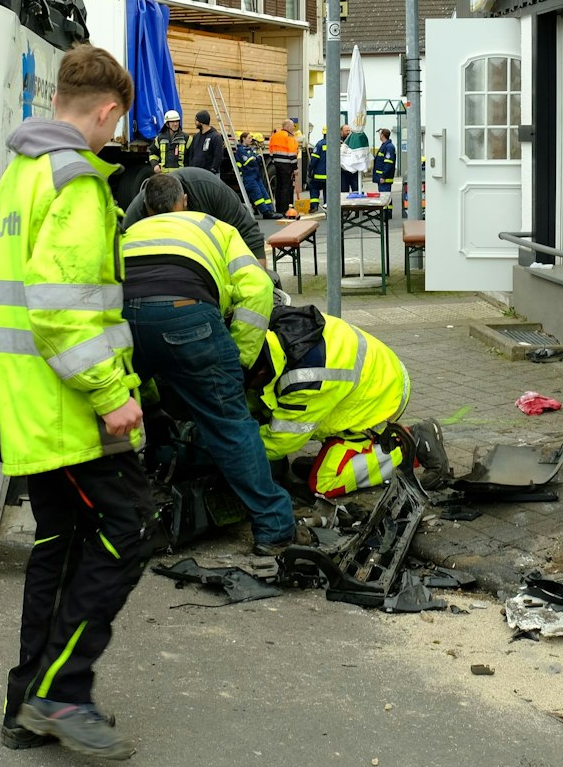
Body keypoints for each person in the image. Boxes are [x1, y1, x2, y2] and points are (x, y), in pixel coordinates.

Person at [0, 44, 150, 760]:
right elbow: (62, 311)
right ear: (107, 110)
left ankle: (27, 699)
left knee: (59, 543)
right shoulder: (78, 182)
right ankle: (61, 689)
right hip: (74, 406)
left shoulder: (18, 176)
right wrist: (113, 395)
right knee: (128, 529)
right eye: (116, 125)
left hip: (29, 403)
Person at [121, 173, 299, 555]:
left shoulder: (129, 233)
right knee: (230, 424)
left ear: (148, 208)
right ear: (183, 201)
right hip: (188, 315)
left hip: (124, 317)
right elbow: (258, 288)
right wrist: (239, 361)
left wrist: (149, 402)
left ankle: (126, 507)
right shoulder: (214, 226)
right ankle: (274, 528)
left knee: (125, 405)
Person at [249, 305, 420, 500]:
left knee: (323, 484)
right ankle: (348, 456)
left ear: (261, 372)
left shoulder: (306, 379)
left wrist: (234, 450)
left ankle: (412, 448)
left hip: (380, 402)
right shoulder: (271, 335)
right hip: (377, 379)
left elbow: (282, 439)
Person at [121, 164, 266, 260]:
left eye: (175, 219)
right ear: (145, 206)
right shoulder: (135, 214)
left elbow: (250, 236)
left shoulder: (210, 189)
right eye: (159, 221)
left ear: (185, 200)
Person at [234, 132, 276, 217]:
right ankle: (265, 213)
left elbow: (259, 158)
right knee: (257, 195)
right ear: (243, 139)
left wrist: (253, 157)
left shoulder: (250, 149)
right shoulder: (240, 151)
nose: (251, 140)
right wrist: (254, 157)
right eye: (249, 138)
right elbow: (248, 162)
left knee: (264, 193)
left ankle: (270, 210)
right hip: (249, 176)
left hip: (256, 175)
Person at [267, 119, 299, 215]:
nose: (294, 128)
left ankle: (279, 209)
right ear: (288, 127)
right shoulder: (289, 137)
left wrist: (275, 162)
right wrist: (295, 168)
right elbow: (292, 154)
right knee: (286, 187)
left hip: (277, 165)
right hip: (287, 166)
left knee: (279, 187)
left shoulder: (275, 136)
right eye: (293, 126)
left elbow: (271, 152)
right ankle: (286, 209)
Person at [185, 109, 229, 177]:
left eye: (196, 121)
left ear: (201, 122)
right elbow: (191, 154)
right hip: (196, 173)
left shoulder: (215, 137)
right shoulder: (196, 136)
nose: (195, 123)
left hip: (209, 175)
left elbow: (218, 156)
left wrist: (213, 169)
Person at [306, 129, 327, 211]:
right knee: (328, 191)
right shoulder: (336, 144)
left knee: (314, 187)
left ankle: (314, 206)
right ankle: (327, 207)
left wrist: (310, 169)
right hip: (331, 176)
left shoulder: (320, 144)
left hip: (319, 174)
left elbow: (314, 159)